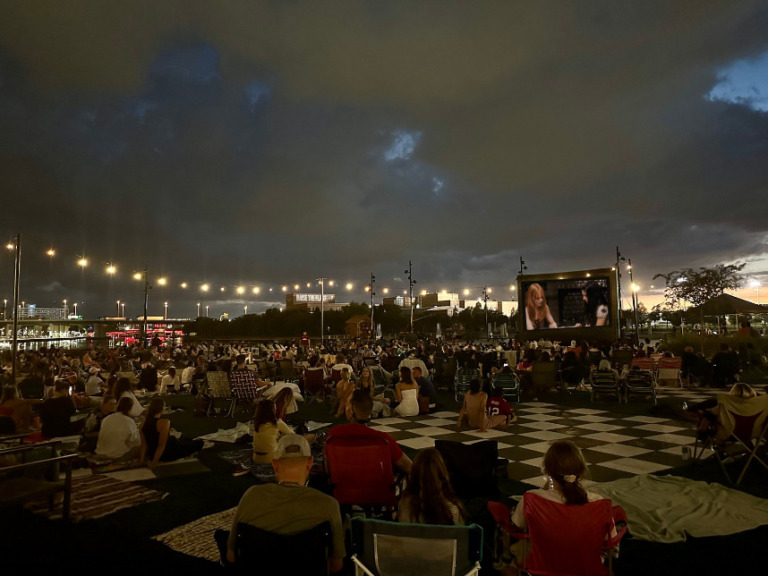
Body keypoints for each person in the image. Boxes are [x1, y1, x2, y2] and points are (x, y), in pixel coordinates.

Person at [224, 434, 345, 572]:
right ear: (310, 462)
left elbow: (231, 556)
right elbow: (336, 566)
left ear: (275, 465)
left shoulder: (251, 496)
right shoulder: (328, 505)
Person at [510, 440, 609, 531]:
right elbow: (610, 539)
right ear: (581, 471)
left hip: (545, 550)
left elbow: (518, 525)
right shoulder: (598, 503)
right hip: (587, 551)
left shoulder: (532, 499)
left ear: (547, 470)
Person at [328, 390, 412, 474]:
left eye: (347, 404)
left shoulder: (334, 435)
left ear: (350, 411)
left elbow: (328, 466)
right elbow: (408, 466)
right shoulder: (383, 439)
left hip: (344, 486)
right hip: (378, 487)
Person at [398, 448, 465, 525]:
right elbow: (460, 535)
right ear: (442, 474)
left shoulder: (404, 505)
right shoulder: (452, 511)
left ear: (414, 475)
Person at [140, 398, 204, 469]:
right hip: (165, 454)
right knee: (199, 443)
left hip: (152, 454)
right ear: (161, 409)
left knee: (184, 440)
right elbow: (162, 444)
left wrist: (141, 460)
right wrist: (154, 462)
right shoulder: (164, 422)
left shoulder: (143, 422)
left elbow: (144, 444)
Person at [95, 396, 141, 461]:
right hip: (116, 456)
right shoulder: (129, 421)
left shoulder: (106, 418)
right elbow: (133, 443)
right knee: (143, 445)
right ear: (130, 408)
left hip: (100, 452)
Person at [251, 398, 294, 464]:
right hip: (271, 458)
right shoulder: (277, 423)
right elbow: (292, 434)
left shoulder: (257, 423)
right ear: (272, 410)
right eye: (275, 407)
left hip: (256, 458)